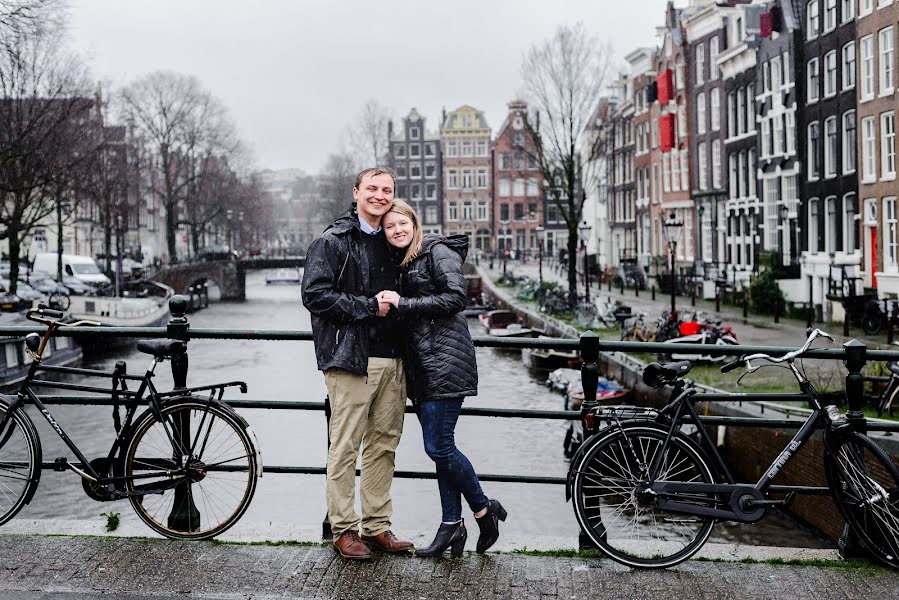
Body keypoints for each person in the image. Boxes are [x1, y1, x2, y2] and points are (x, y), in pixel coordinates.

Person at [377, 199, 507, 558]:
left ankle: (483, 510)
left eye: (402, 223)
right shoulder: (403, 263)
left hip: (445, 362)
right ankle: (452, 524)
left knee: (439, 447)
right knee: (440, 450)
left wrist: (404, 303)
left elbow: (455, 297)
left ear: (414, 223)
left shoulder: (437, 251)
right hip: (422, 367)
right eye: (390, 227)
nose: (397, 230)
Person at [301, 167, 413, 560]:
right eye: (373, 189)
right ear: (357, 192)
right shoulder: (332, 241)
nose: (380, 196)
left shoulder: (395, 239)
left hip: (394, 359)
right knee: (345, 446)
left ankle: (377, 525)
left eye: (387, 190)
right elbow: (314, 294)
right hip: (351, 359)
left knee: (384, 445)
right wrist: (369, 307)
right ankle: (344, 528)